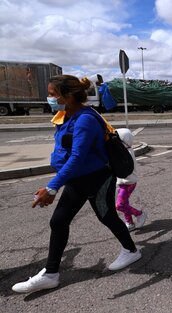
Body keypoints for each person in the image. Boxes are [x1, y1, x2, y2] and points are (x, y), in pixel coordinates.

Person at [12, 75, 141, 294]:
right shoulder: (65, 115)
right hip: (76, 179)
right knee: (59, 221)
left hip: (97, 178)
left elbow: (78, 157)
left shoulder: (85, 119)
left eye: (53, 94)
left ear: (68, 96)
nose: (50, 98)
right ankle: (51, 274)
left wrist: (52, 186)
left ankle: (131, 250)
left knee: (106, 216)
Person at [115, 128, 147, 231]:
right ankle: (129, 222)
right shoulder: (125, 150)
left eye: (117, 140)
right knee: (125, 203)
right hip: (122, 182)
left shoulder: (126, 153)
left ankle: (139, 214)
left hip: (128, 183)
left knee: (120, 205)